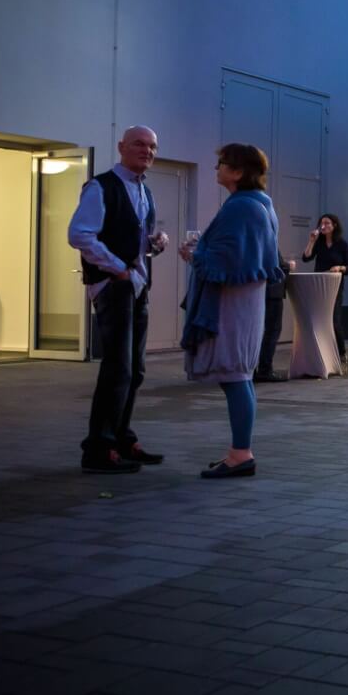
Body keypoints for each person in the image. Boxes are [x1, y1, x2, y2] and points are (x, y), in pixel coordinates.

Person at [68, 125, 169, 474]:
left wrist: (153, 243)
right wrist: (117, 269)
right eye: (140, 144)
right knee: (118, 369)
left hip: (138, 285)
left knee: (135, 370)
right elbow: (79, 234)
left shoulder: (145, 190)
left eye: (153, 146)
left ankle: (122, 439)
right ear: (121, 146)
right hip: (114, 286)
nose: (147, 151)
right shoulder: (101, 186)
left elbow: (131, 235)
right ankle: (99, 449)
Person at [180, 144, 283, 479]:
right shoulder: (260, 205)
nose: (216, 169)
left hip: (232, 305)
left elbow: (226, 261)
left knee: (235, 376)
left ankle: (241, 454)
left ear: (238, 171)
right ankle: (239, 451)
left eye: (221, 164)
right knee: (239, 377)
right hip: (245, 304)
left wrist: (194, 256)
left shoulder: (242, 207)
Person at [302, 213, 348, 367]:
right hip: (319, 286)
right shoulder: (319, 243)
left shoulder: (342, 244)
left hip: (334, 287)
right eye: (321, 223)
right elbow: (306, 257)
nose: (323, 226)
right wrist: (311, 241)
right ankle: (323, 355)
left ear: (334, 226)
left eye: (327, 223)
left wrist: (340, 267)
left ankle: (342, 354)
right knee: (319, 320)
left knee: (334, 321)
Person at [254, 252, 296, 382]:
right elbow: (275, 265)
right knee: (273, 330)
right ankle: (265, 369)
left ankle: (255, 368)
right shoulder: (269, 237)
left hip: (260, 290)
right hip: (272, 291)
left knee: (263, 331)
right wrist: (289, 266)